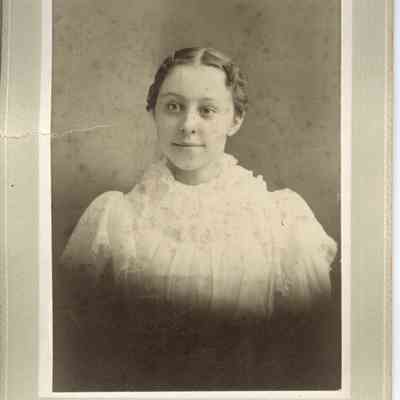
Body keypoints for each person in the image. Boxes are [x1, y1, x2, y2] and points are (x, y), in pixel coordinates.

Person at [55, 47, 338, 391]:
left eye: (207, 110)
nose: (188, 125)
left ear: (235, 119)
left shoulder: (281, 220)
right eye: (174, 107)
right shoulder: (112, 219)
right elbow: (76, 355)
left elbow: (306, 360)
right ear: (154, 112)